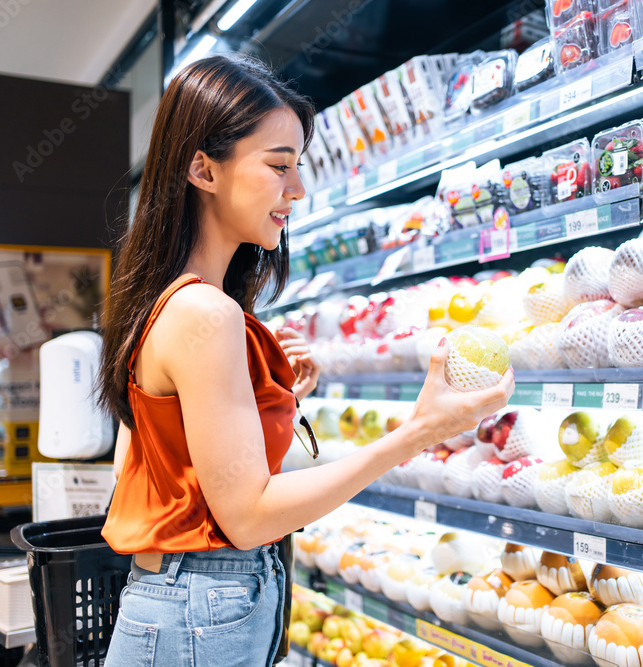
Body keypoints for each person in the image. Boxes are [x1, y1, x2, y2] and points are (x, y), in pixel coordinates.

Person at [97, 55, 514, 666]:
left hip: (184, 603)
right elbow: (245, 519)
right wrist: (419, 433)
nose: (297, 189)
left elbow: (143, 465)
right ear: (202, 169)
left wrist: (262, 400)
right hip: (201, 610)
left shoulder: (171, 302)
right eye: (278, 166)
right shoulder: (205, 314)